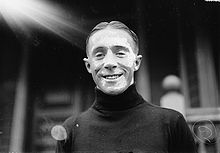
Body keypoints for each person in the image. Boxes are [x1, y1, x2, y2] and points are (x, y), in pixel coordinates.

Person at [55, 21, 197, 153]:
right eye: (99, 55)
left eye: (120, 53)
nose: (110, 63)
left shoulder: (171, 123)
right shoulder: (72, 130)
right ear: (88, 66)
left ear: (136, 62)